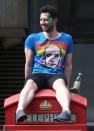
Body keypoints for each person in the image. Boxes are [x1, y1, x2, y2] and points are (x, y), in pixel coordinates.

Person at [16, 5, 73, 122]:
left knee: (61, 86)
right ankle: (19, 110)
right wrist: (27, 81)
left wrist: (67, 86)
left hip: (56, 74)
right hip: (38, 73)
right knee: (29, 85)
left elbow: (68, 65)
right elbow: (29, 63)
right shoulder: (32, 38)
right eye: (41, 20)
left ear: (55, 20)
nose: (42, 22)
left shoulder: (67, 39)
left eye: (46, 19)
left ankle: (66, 111)